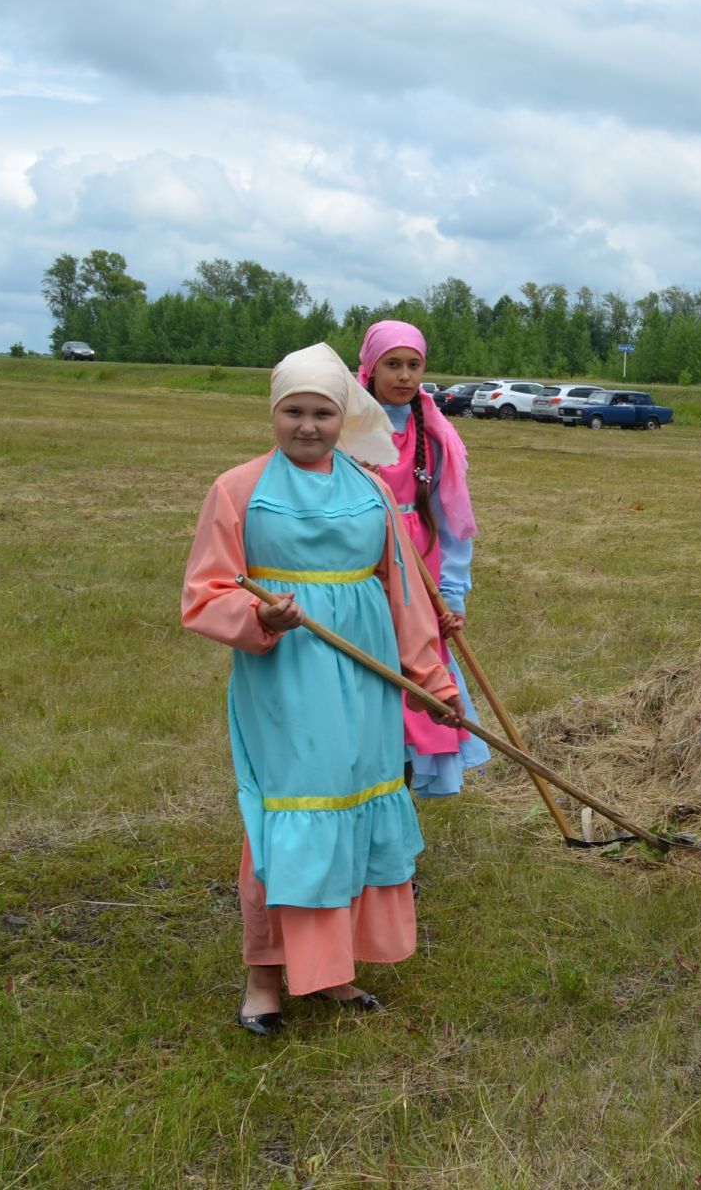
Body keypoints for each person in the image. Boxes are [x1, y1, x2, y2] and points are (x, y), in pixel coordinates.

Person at [182, 343, 464, 1037]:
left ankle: (335, 969)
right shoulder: (238, 488)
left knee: (355, 801)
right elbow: (204, 591)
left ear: (344, 417)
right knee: (289, 812)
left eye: (322, 414)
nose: (307, 427)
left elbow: (403, 593)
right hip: (287, 671)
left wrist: (429, 680)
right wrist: (258, 616)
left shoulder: (370, 488)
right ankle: (264, 978)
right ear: (273, 413)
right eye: (293, 412)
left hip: (366, 675)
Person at [357, 320, 492, 798]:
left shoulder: (433, 434)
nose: (404, 376)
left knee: (421, 678)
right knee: (375, 669)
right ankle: (371, 770)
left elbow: (452, 519)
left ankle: (405, 789)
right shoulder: (347, 427)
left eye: (414, 365)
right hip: (365, 565)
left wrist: (453, 591)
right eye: (392, 364)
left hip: (421, 564)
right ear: (370, 370)